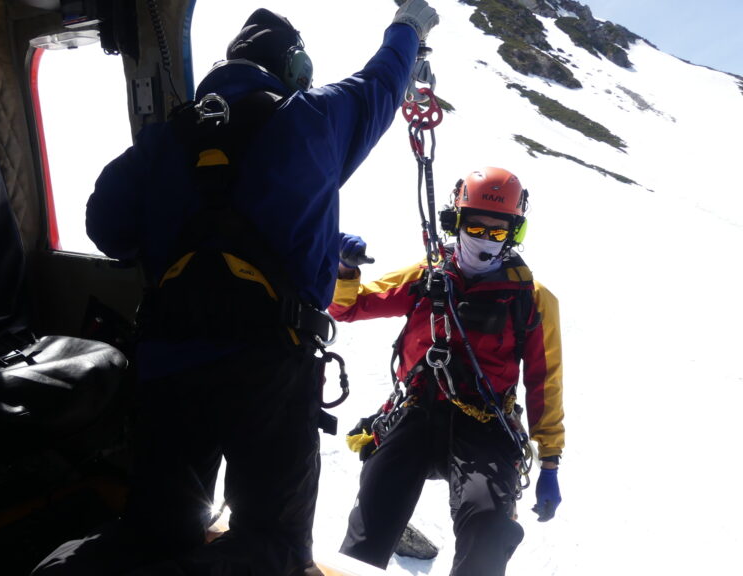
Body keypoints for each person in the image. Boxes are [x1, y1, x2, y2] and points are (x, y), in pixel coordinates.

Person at [31, 2, 439, 576]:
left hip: (168, 362)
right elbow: (384, 80)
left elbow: (107, 229)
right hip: (268, 367)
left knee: (155, 529)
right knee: (270, 545)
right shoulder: (314, 117)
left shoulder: (170, 134)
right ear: (293, 67)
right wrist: (410, 27)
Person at [330, 166, 565, 576]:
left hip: (486, 424)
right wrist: (344, 272)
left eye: (498, 230)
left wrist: (550, 461)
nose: (485, 239)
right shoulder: (427, 277)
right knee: (373, 512)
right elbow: (348, 307)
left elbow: (545, 381)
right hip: (419, 410)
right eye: (476, 226)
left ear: (514, 232)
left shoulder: (532, 298)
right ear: (456, 222)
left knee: (490, 524)